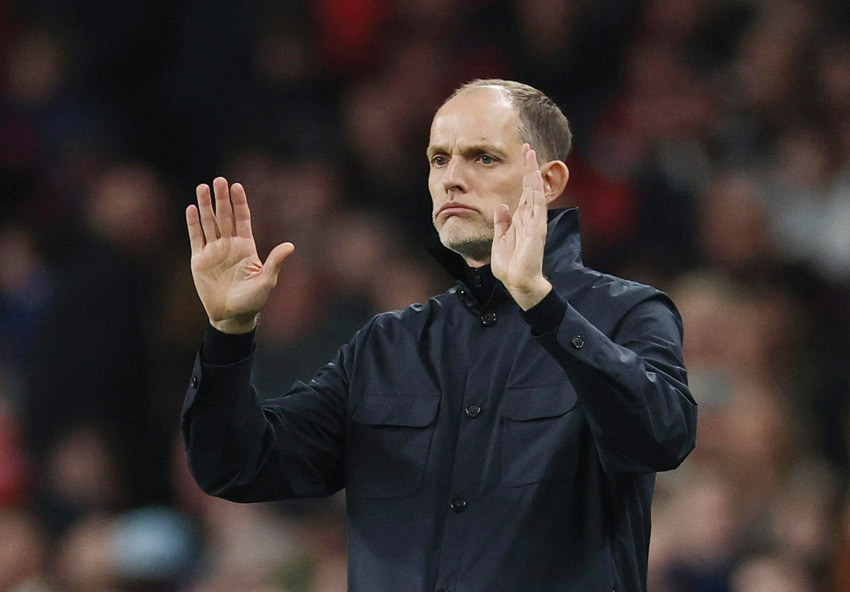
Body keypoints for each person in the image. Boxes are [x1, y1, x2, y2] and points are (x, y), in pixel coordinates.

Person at [181, 79, 697, 592]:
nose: (452, 179)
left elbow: (661, 437)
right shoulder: (386, 345)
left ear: (548, 181)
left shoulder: (627, 314)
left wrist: (543, 306)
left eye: (483, 158)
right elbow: (237, 467)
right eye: (439, 159)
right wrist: (229, 333)